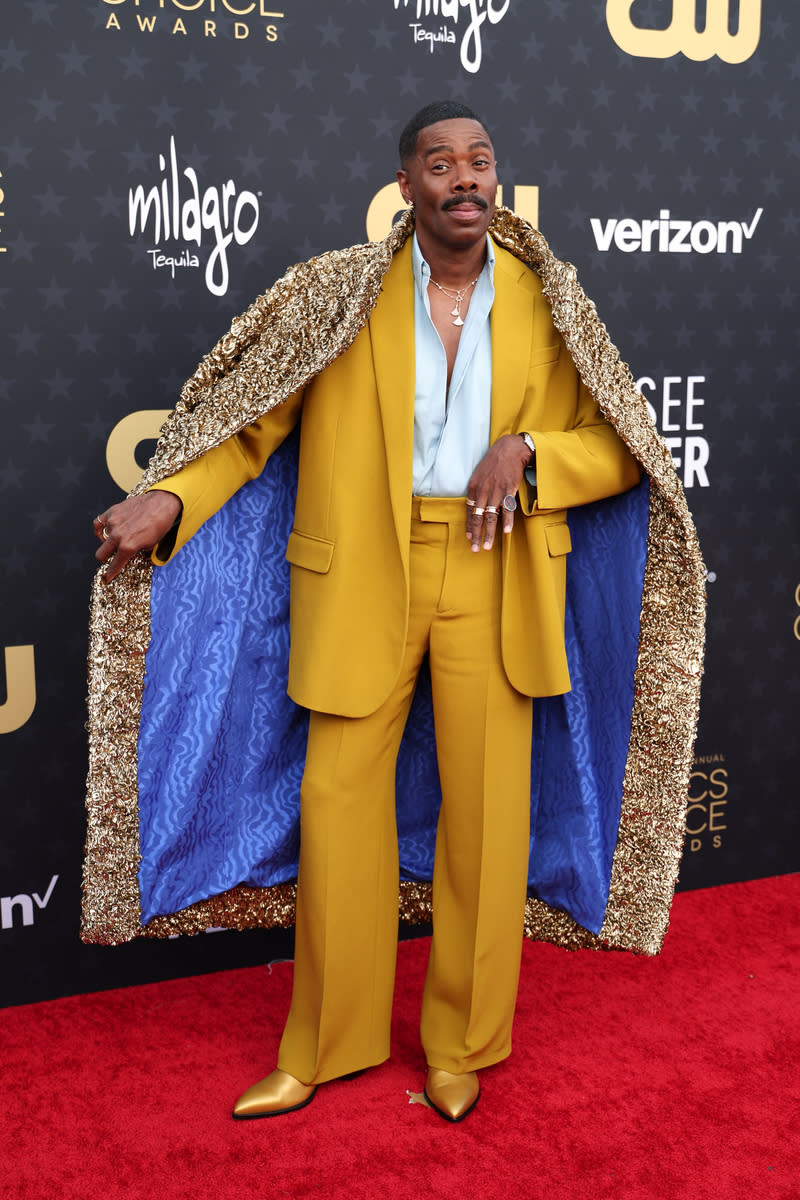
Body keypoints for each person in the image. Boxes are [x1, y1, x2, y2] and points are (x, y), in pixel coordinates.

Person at [89, 102, 701, 1124]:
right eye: (440, 163)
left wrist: (531, 454)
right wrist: (170, 497)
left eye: (479, 160)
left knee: (486, 819)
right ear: (405, 185)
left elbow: (623, 446)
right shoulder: (338, 294)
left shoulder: (551, 302)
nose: (465, 178)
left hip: (495, 568)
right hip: (362, 574)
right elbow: (250, 425)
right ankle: (325, 1046)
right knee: (336, 810)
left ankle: (460, 1044)